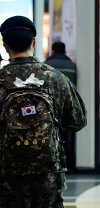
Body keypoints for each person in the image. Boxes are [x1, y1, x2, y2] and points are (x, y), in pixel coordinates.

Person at [0, 16, 87, 208]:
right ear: (33, 40)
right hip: (49, 170)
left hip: (9, 172)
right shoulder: (55, 79)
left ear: (5, 46)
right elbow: (77, 121)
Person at [45, 42, 77, 174]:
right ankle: (68, 163)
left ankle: (53, 162)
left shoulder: (46, 65)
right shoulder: (72, 66)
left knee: (51, 135)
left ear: (52, 51)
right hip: (68, 108)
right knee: (68, 136)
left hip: (49, 108)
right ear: (65, 51)